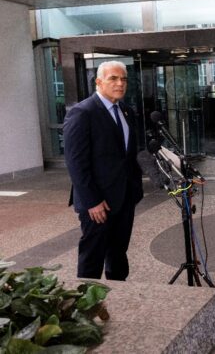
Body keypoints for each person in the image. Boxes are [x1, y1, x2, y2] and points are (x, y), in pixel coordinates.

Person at [63, 61, 144, 280]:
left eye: (124, 79)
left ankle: (118, 294)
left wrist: (135, 188)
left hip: (124, 197)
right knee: (92, 257)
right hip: (97, 203)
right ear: (98, 82)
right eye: (113, 79)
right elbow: (75, 163)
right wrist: (92, 201)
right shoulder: (83, 112)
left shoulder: (126, 111)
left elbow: (127, 155)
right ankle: (88, 304)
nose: (120, 83)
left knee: (118, 254)